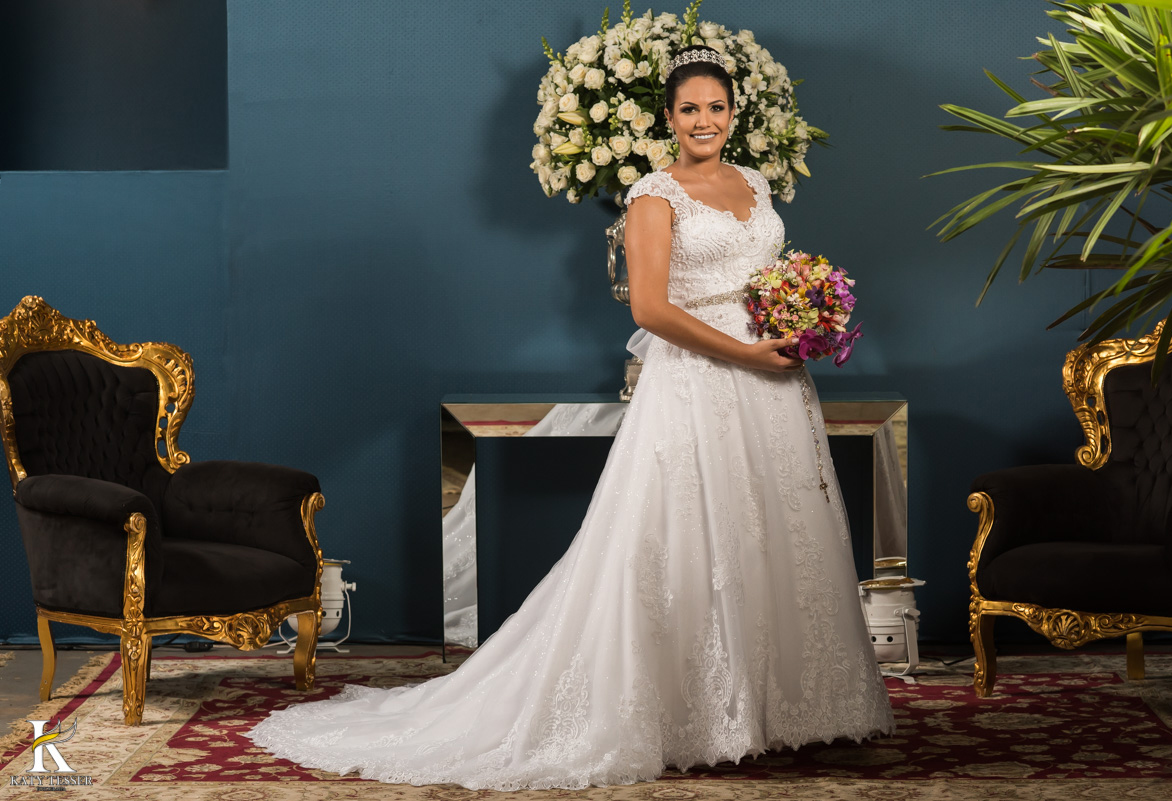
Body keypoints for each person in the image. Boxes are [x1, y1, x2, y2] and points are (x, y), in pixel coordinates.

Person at [249, 44, 894, 790]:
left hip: (775, 383)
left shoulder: (753, 180)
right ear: (668, 118)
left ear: (735, 112)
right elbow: (651, 307)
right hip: (699, 384)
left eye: (716, 107)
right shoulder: (656, 194)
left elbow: (761, 275)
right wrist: (746, 353)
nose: (704, 121)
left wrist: (798, 318)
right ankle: (696, 713)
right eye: (689, 109)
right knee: (690, 538)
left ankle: (783, 711)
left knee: (775, 532)